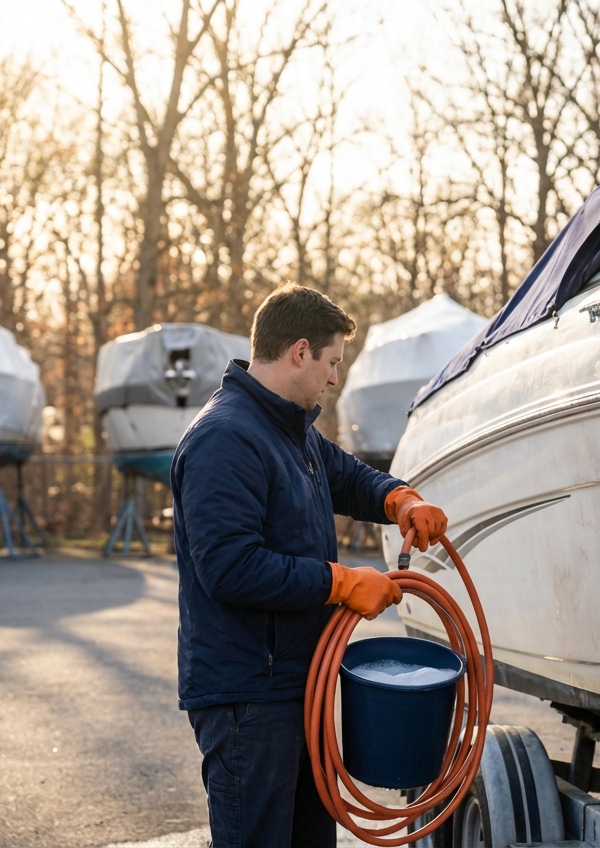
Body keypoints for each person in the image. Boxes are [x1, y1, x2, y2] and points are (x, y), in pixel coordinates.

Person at [171, 284, 448, 848]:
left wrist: (401, 500)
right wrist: (341, 583)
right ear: (300, 351)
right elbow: (229, 566)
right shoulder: (225, 438)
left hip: (298, 683)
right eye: (331, 362)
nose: (333, 379)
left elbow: (348, 478)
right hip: (250, 696)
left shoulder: (289, 430)